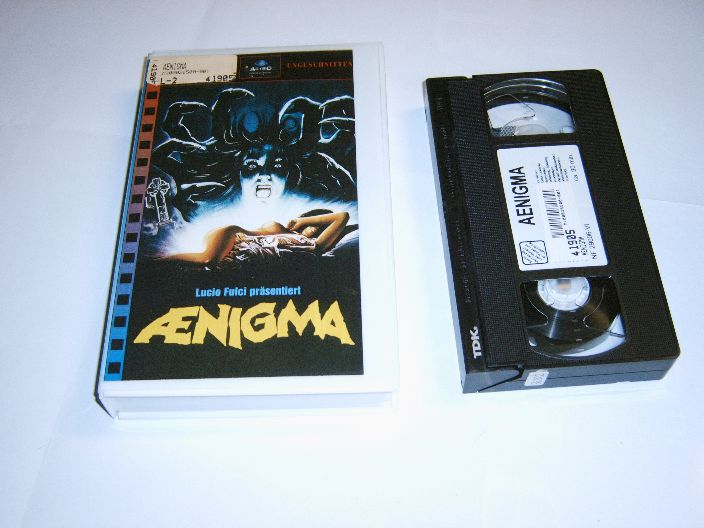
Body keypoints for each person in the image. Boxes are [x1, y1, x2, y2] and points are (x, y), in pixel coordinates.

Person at [162, 209, 349, 268]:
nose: (314, 229)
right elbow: (342, 216)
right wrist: (302, 221)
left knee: (209, 266)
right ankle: (157, 260)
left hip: (237, 255)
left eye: (319, 228)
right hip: (233, 237)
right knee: (207, 260)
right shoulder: (285, 231)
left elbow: (341, 220)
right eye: (314, 224)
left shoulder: (314, 246)